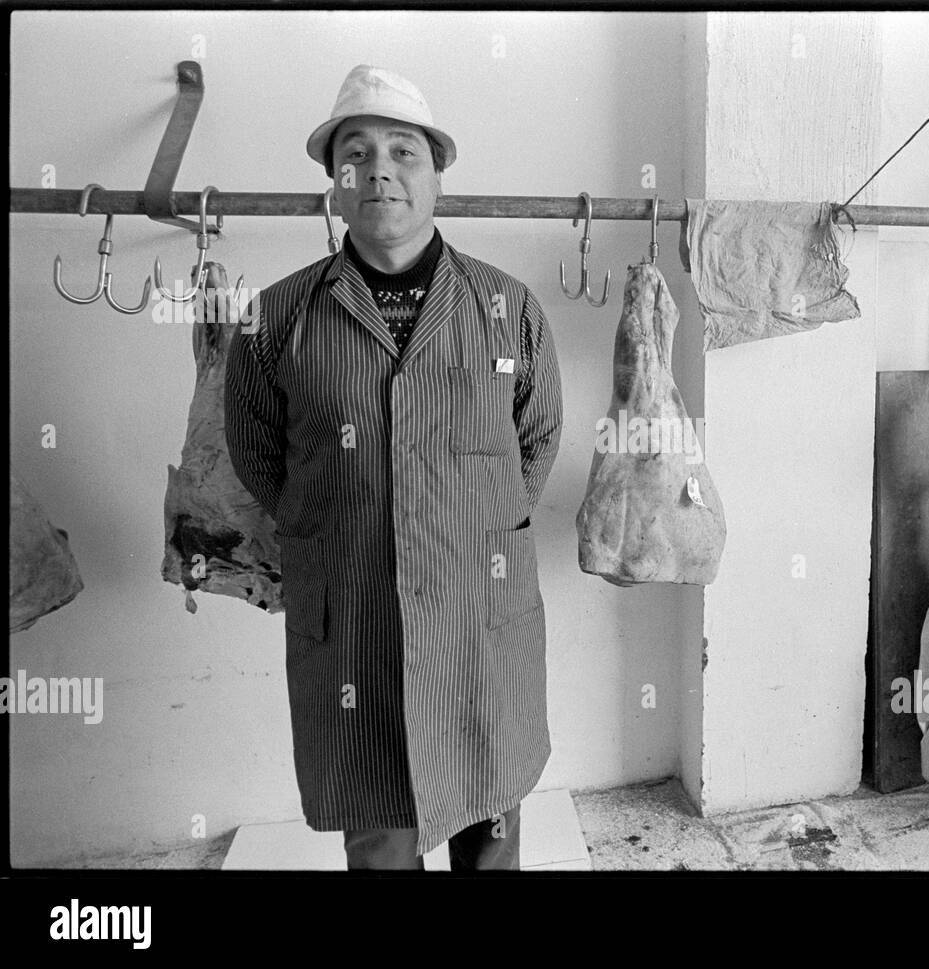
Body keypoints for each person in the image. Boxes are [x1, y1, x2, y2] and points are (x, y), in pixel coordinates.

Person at [225, 64, 564, 870]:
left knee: (493, 834)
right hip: (355, 624)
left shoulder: (506, 307)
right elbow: (259, 455)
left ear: (436, 175)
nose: (380, 169)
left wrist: (461, 520)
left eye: (403, 151)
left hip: (480, 620)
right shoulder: (275, 318)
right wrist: (349, 516)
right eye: (358, 153)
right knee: (380, 841)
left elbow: (538, 440)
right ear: (335, 184)